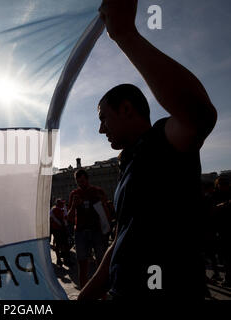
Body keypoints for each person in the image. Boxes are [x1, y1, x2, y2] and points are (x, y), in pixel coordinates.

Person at [78, 0, 217, 300]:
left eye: (104, 118)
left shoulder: (163, 141)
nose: (101, 129)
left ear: (126, 109)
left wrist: (126, 34)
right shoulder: (129, 162)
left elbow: (200, 115)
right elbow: (120, 240)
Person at [68, 169, 110, 289]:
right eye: (78, 182)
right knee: (82, 264)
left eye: (82, 181)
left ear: (87, 179)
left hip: (97, 231)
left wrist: (103, 204)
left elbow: (107, 214)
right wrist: (73, 206)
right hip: (80, 232)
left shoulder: (97, 191)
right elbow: (70, 218)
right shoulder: (74, 194)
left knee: (101, 263)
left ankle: (102, 294)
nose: (81, 184)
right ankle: (84, 292)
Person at [212, 176, 231, 287]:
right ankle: (228, 278)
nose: (224, 185)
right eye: (222, 184)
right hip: (222, 229)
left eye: (226, 183)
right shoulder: (215, 195)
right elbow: (212, 209)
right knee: (225, 256)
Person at [50, 199, 71, 266]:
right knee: (61, 244)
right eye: (61, 203)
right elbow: (63, 219)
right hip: (59, 230)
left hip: (60, 229)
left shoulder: (59, 209)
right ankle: (61, 259)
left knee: (62, 244)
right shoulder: (56, 210)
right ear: (58, 204)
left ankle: (62, 259)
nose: (63, 205)